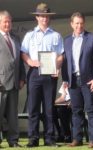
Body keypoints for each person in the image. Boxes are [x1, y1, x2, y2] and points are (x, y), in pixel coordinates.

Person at [21, 3, 64, 147]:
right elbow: (23, 53)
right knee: (33, 108)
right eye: (42, 16)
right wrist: (30, 61)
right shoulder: (29, 35)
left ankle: (49, 138)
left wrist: (56, 67)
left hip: (50, 75)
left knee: (49, 108)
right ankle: (33, 138)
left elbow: (61, 56)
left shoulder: (56, 35)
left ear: (49, 18)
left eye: (47, 16)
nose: (44, 19)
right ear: (37, 17)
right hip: (34, 74)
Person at [62, 12, 93, 148]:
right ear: (71, 24)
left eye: (81, 23)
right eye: (76, 23)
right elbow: (65, 62)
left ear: (84, 24)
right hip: (73, 80)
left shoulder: (92, 38)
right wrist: (65, 80)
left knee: (91, 110)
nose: (79, 26)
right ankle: (77, 139)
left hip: (89, 80)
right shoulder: (67, 40)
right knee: (76, 111)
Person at [0, 10, 26, 147]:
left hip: (15, 83)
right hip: (1, 83)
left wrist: (22, 77)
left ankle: (13, 140)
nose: (7, 24)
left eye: (9, 21)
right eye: (5, 21)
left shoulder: (16, 38)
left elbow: (20, 61)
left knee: (12, 115)